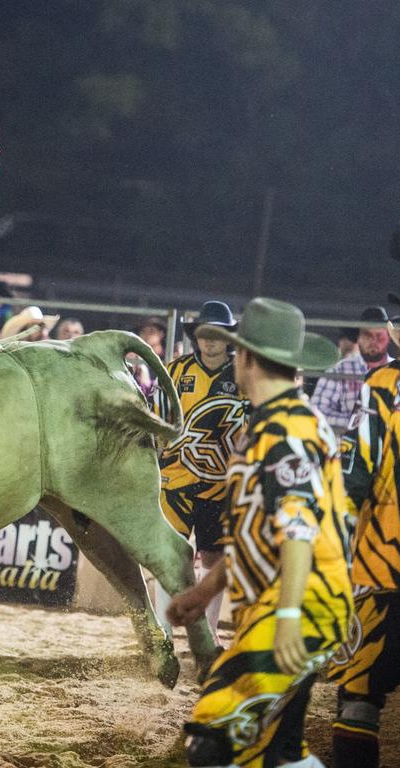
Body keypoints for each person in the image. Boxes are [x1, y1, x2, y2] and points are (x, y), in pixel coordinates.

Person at [167, 298, 352, 768]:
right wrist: (205, 589)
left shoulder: (284, 431)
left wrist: (288, 615)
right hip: (292, 605)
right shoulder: (277, 424)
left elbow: (297, 529)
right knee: (281, 751)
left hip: (297, 607)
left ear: (246, 357)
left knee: (213, 740)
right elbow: (262, 529)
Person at [328, 294, 400, 768]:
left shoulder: (384, 382)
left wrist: (338, 534)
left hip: (384, 571)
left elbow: (356, 470)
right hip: (389, 563)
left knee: (359, 699)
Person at [153, 301, 246, 643]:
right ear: (196, 337)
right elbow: (156, 417)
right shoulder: (175, 371)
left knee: (214, 556)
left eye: (216, 334)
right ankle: (163, 630)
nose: (209, 341)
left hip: (222, 486)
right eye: (204, 334)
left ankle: (208, 632)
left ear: (227, 337)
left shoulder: (244, 374)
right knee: (169, 553)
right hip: (175, 479)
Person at [310, 306, 392, 436]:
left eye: (379, 335)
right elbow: (318, 411)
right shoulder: (338, 371)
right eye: (367, 335)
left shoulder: (399, 371)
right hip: (349, 450)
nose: (373, 341)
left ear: (388, 337)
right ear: (358, 338)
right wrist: (360, 422)